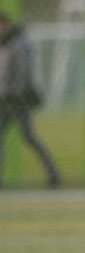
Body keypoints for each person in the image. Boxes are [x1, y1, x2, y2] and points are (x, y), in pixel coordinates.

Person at [0, 12, 60, 188]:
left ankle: (53, 173)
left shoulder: (18, 43)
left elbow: (23, 73)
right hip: (3, 99)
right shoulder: (4, 44)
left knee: (28, 136)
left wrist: (13, 94)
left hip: (17, 99)